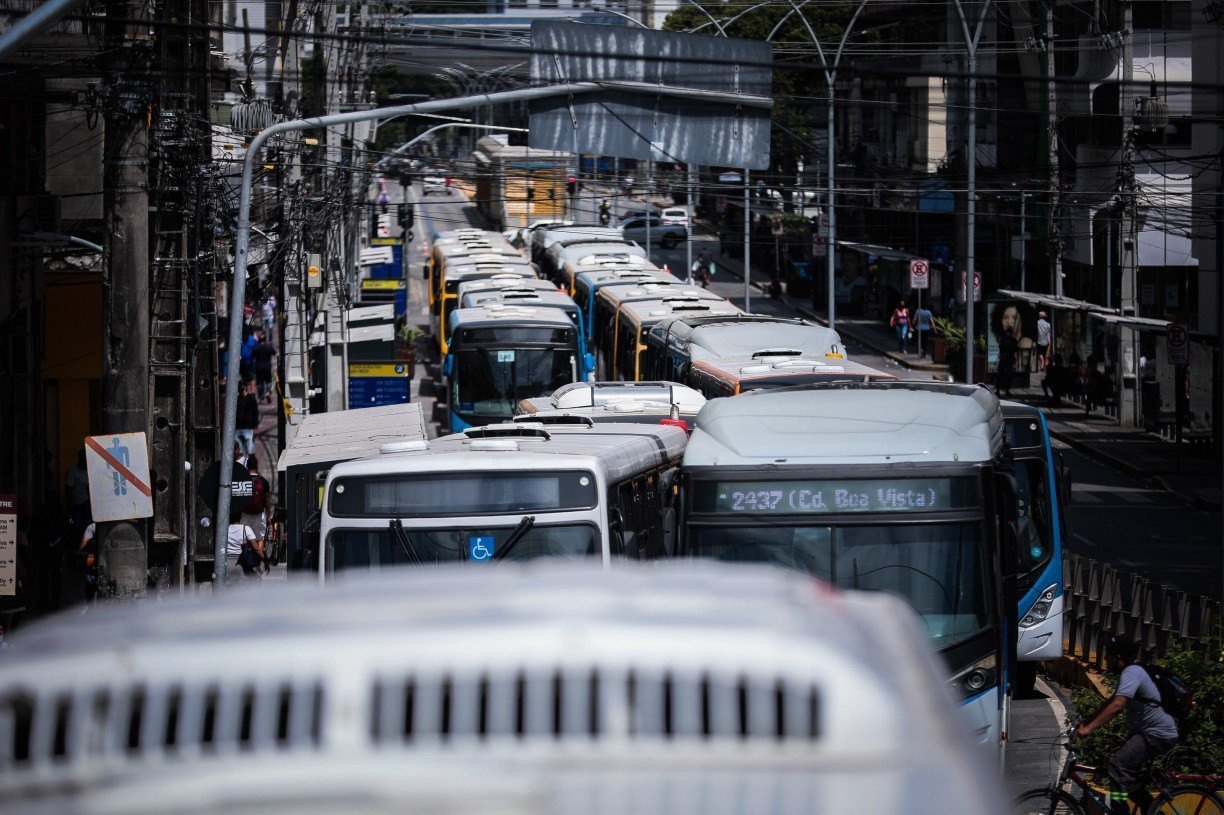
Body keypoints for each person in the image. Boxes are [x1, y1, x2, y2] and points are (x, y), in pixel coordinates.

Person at [1075, 635, 1178, 815]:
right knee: (1129, 782)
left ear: (1119, 658)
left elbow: (1118, 705)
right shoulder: (1131, 673)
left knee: (1118, 765)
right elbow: (1109, 703)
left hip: (1156, 733)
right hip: (1148, 732)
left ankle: (1120, 811)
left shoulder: (1132, 673)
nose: (1106, 659)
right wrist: (1085, 722)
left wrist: (1089, 729)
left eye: (1109, 655)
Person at [226, 505, 267, 581]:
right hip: (240, 562)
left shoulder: (224, 529)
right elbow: (256, 548)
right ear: (240, 516)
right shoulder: (245, 529)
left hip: (226, 561)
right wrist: (264, 559)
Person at [241, 455, 271, 545]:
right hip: (258, 514)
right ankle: (258, 558)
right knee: (259, 539)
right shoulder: (263, 481)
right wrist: (268, 517)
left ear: (247, 466)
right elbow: (267, 501)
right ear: (256, 466)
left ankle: (246, 558)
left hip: (245, 514)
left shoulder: (242, 480)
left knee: (245, 539)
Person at [235, 381, 260, 456]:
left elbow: (255, 413)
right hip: (238, 428)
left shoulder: (251, 399)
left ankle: (251, 465)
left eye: (242, 388)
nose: (241, 390)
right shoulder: (237, 399)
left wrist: (255, 427)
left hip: (248, 428)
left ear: (245, 388)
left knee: (250, 451)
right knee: (239, 452)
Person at [252, 334, 277, 402]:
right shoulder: (269, 347)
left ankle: (261, 398)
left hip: (259, 367)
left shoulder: (256, 348)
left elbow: (252, 356)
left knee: (260, 383)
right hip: (267, 367)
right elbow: (275, 353)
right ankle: (268, 392)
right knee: (269, 381)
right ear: (265, 340)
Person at [996, 321, 1018, 398]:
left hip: (1007, 358)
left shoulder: (1011, 340)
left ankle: (1005, 390)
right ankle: (1000, 390)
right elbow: (1001, 348)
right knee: (1001, 374)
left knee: (1008, 375)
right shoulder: (1005, 339)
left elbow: (1015, 349)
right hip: (1005, 358)